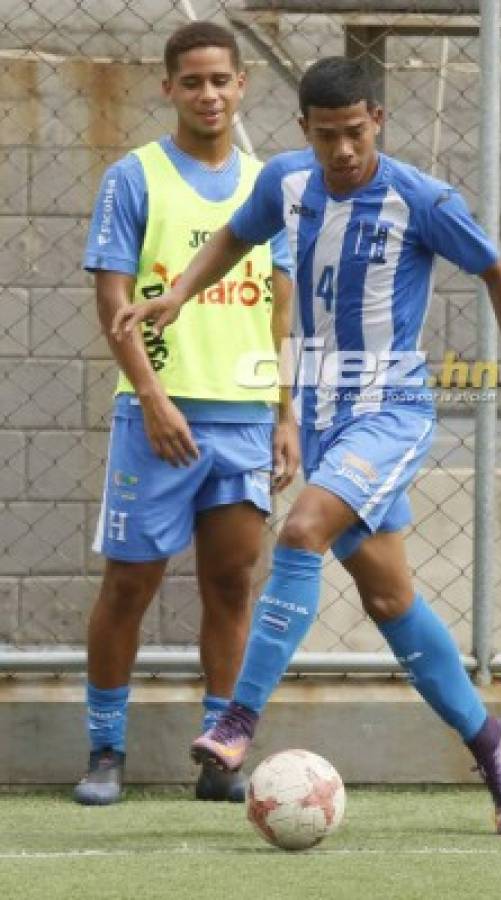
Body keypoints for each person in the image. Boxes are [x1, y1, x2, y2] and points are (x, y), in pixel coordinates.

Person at [114, 56, 501, 835]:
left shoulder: (418, 197)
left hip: (391, 412)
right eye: (327, 135)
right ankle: (488, 737)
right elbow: (236, 235)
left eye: (356, 133)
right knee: (388, 596)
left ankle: (237, 720)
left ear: (379, 122)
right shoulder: (287, 183)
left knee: (300, 529)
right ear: (304, 130)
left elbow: (500, 271)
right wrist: (178, 292)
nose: (342, 150)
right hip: (327, 413)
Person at [73, 22, 297, 806]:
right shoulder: (133, 178)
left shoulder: (270, 184)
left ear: (243, 87)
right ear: (167, 88)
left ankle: (219, 757)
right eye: (192, 81)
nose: (208, 95)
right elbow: (113, 302)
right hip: (156, 418)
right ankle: (105, 750)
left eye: (221, 81)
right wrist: (155, 398)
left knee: (232, 585)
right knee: (129, 584)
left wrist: (284, 413)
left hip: (241, 419)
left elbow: (279, 306)